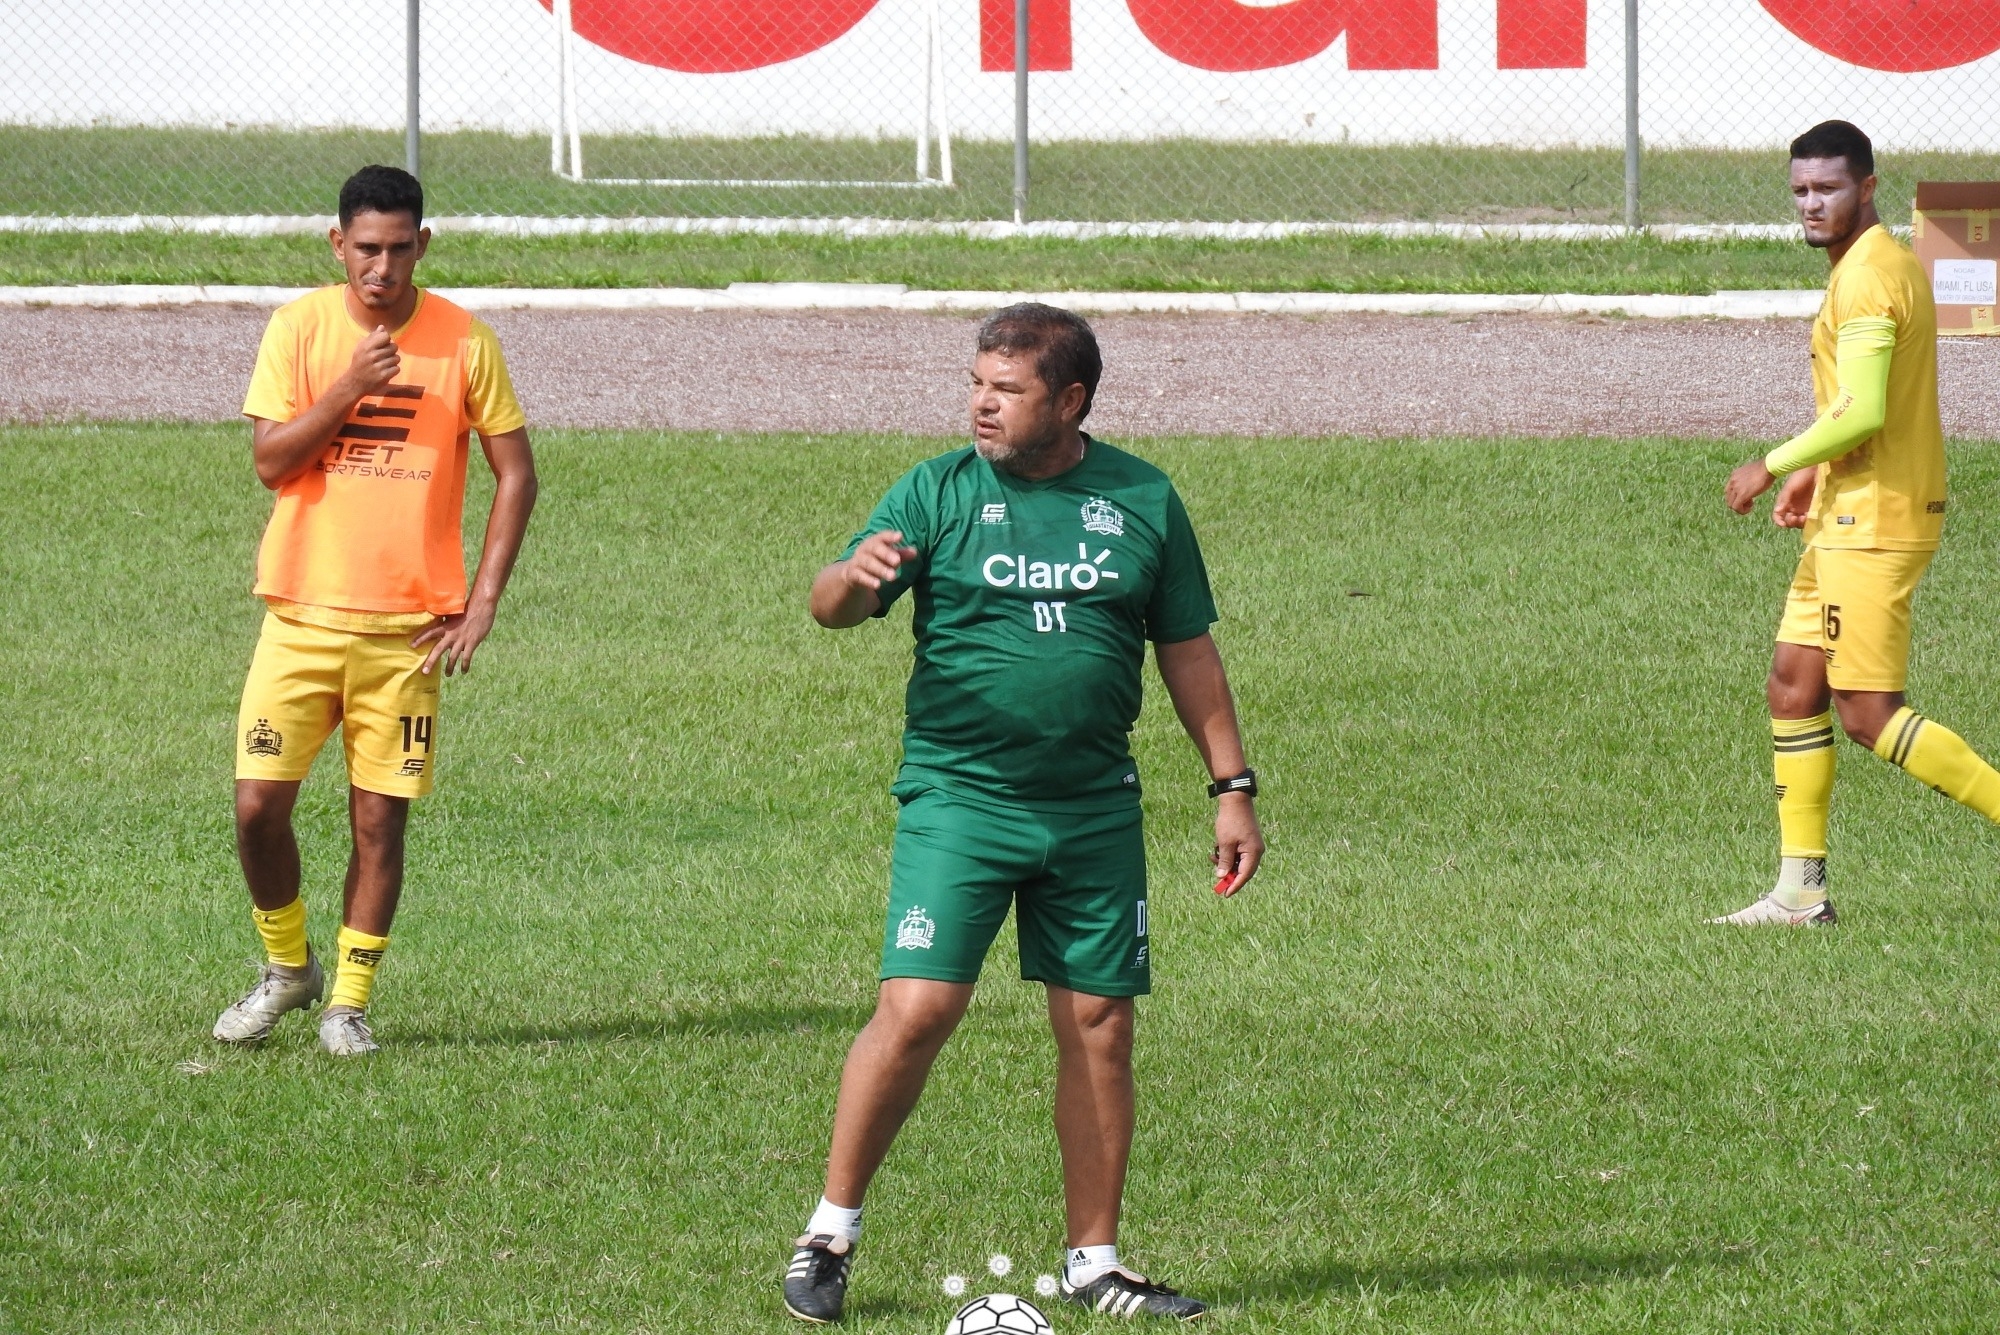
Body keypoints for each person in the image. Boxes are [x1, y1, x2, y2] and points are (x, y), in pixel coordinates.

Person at [782, 304, 1263, 1324]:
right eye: (974, 384)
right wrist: (847, 580)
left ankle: (1094, 1262)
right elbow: (831, 604)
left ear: (1070, 400)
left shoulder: (1140, 498)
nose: (980, 405)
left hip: (1092, 810)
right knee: (916, 1011)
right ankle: (828, 1233)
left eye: (1005, 390)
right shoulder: (936, 490)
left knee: (1097, 1026)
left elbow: (1185, 647)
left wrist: (1230, 787)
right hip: (960, 800)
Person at [211, 164, 538, 1054]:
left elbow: (518, 473)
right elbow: (273, 461)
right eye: (365, 250)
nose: (381, 269)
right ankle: (288, 969)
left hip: (406, 635)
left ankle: (347, 1002)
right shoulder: (300, 329)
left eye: (398, 250)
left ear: (422, 245)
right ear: (337, 244)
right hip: (300, 620)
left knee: (376, 821)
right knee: (254, 808)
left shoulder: (466, 341)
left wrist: (483, 602)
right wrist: (348, 387)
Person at [1717, 120, 2000, 924]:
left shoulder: (1871, 277)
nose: (1812, 204)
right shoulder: (1866, 268)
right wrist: (1813, 470)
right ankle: (1802, 894)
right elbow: (1856, 402)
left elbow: (1867, 409)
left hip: (1876, 521)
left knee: (1867, 713)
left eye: (1829, 188)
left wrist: (1769, 462)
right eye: (1801, 191)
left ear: (1868, 188)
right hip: (1846, 513)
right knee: (1792, 683)